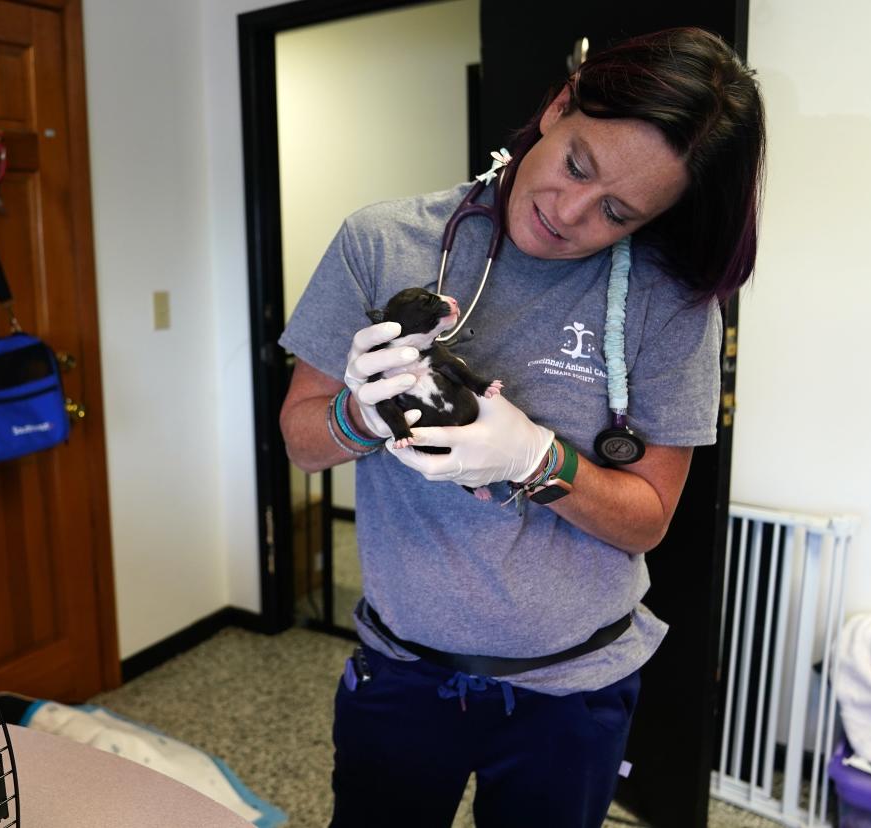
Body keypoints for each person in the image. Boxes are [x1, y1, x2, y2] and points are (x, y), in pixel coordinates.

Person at [277, 27, 765, 828]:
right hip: (403, 672)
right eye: (578, 163)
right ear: (557, 105)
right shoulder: (383, 241)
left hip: (573, 690)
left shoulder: (668, 301)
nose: (568, 212)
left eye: (616, 210)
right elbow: (302, 443)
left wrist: (536, 458)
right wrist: (360, 411)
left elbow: (647, 519)